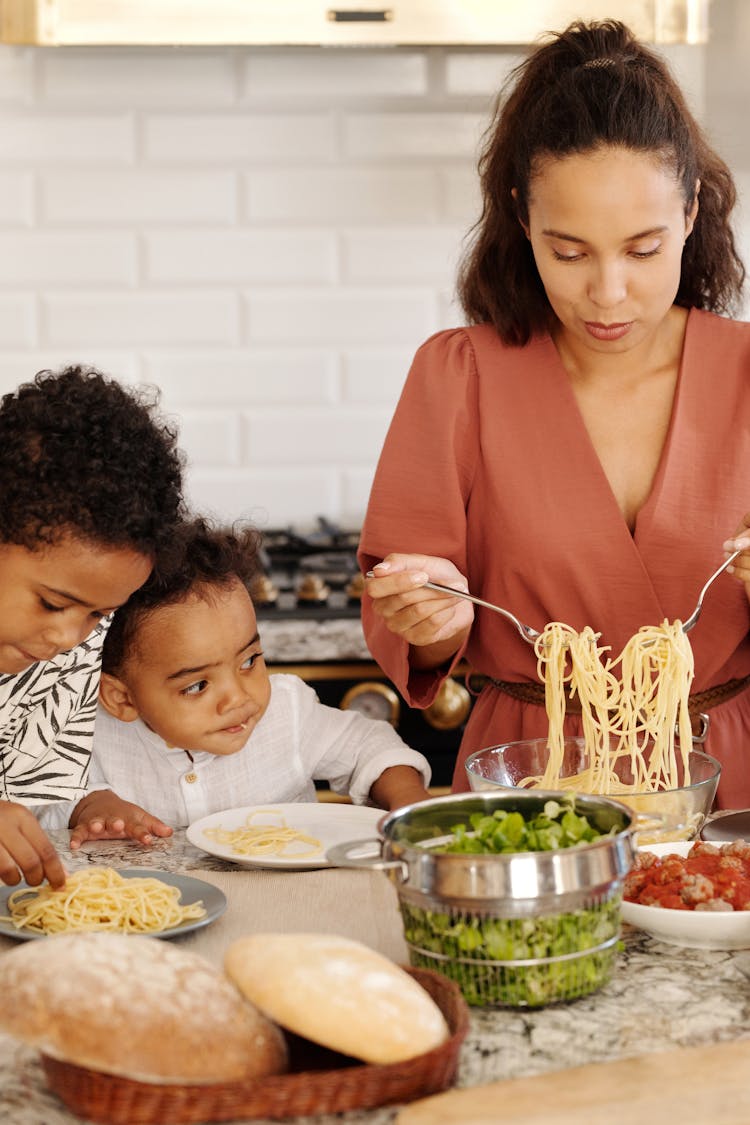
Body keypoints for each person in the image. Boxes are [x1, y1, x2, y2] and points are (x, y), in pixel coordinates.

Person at [358, 18, 750, 809]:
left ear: (692, 212)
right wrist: (428, 611)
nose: (607, 294)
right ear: (520, 218)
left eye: (642, 249)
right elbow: (422, 643)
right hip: (527, 779)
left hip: (728, 787)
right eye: (567, 251)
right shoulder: (458, 374)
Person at [37, 517, 432, 847]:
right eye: (197, 686)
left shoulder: (286, 712)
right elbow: (45, 801)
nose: (238, 698)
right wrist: (90, 806)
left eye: (249, 661)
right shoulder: (83, 733)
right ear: (121, 699)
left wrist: (410, 806)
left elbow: (369, 747)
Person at [0, 364, 185, 888]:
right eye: (51, 603)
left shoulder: (58, 658)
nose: (67, 638)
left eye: (97, 615)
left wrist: (91, 806)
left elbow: (37, 807)